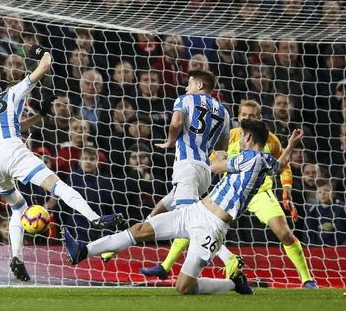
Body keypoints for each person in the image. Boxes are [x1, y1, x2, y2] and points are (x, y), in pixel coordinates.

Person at [64, 120, 303, 295]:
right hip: (196, 211)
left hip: (212, 227)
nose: (239, 139)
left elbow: (217, 166)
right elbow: (280, 166)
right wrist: (291, 145)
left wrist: (210, 150)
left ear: (249, 138)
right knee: (141, 230)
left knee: (184, 288)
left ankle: (235, 283)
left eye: (241, 135)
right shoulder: (265, 161)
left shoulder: (250, 157)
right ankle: (82, 251)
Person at [0, 46, 124, 283]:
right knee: (58, 186)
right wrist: (40, 52)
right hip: (10, 150)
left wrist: (40, 116)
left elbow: (16, 126)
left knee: (17, 207)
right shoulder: (16, 92)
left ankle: (16, 257)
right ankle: (94, 217)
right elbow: (43, 67)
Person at [140, 69, 234, 279]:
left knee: (192, 224)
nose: (186, 87)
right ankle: (124, 241)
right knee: (165, 204)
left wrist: (170, 141)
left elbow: (176, 123)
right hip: (204, 172)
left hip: (187, 167)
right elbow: (221, 149)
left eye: (189, 83)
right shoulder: (224, 112)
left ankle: (229, 259)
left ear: (200, 85)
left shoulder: (184, 99)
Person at [217, 100, 317, 288]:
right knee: (199, 224)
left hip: (260, 192)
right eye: (243, 115)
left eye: (251, 116)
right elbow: (215, 158)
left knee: (284, 232)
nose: (246, 118)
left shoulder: (270, 139)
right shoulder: (229, 136)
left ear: (259, 118)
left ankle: (307, 279)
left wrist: (286, 188)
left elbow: (283, 165)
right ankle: (166, 266)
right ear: (238, 117)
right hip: (230, 192)